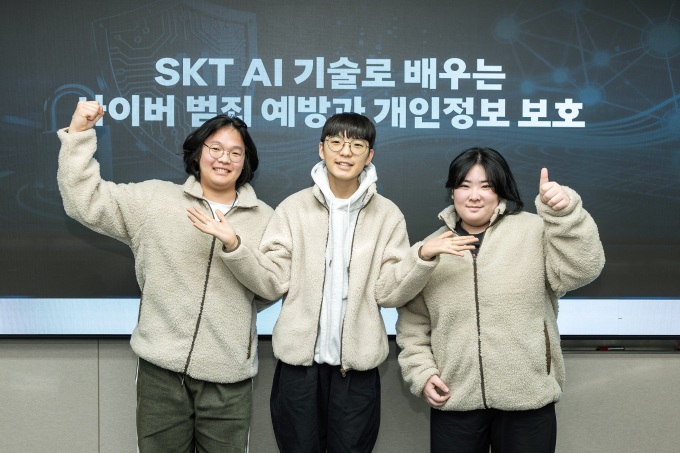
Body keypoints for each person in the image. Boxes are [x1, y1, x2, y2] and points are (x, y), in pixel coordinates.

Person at [187, 112, 477, 452]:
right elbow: (270, 283)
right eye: (336, 142)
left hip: (357, 373)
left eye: (357, 145)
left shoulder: (387, 215)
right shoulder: (293, 209)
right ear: (321, 149)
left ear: (369, 155)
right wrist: (235, 245)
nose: (346, 152)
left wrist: (422, 256)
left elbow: (388, 293)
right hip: (298, 371)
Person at [57, 100, 274, 453]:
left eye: (236, 153)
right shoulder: (155, 200)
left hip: (228, 376)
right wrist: (79, 133)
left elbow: (272, 286)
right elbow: (85, 201)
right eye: (215, 148)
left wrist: (235, 246)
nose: (224, 159)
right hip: (161, 370)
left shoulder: (266, 219)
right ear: (198, 153)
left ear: (246, 161)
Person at [396, 147, 605, 453]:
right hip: (455, 399)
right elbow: (413, 325)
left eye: (486, 186)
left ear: (501, 190)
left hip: (528, 398)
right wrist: (422, 373)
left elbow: (583, 269)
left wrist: (565, 213)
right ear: (452, 192)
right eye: (464, 185)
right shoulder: (431, 248)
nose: (474, 196)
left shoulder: (535, 231)